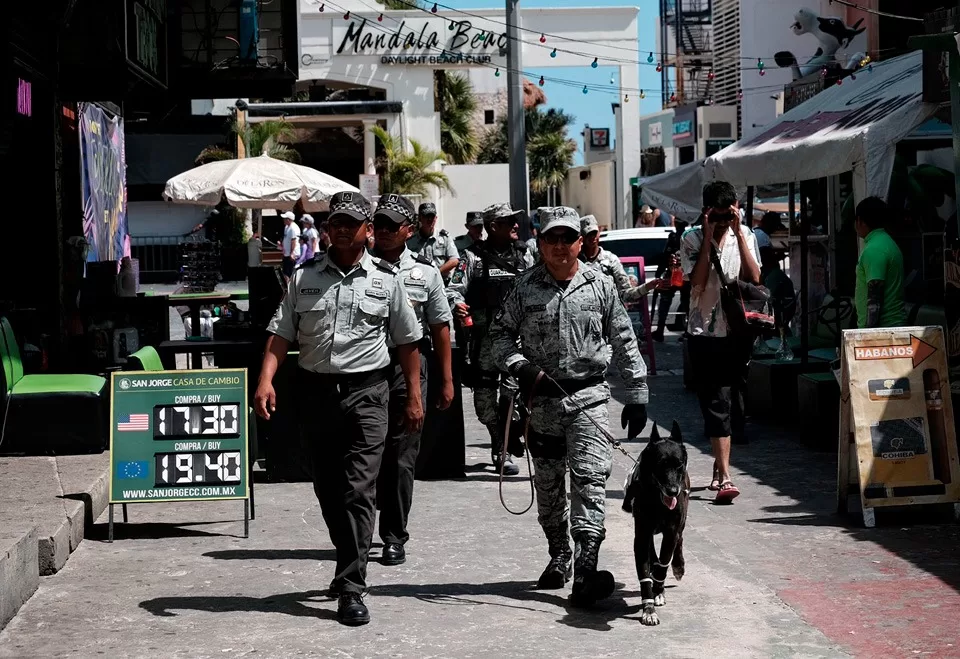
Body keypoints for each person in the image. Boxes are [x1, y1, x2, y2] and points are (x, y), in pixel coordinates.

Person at [254, 191, 424, 627]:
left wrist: (416, 395)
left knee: (357, 490)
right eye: (337, 222)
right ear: (328, 228)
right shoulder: (303, 277)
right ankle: (349, 553)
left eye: (353, 222)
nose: (343, 229)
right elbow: (280, 334)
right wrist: (265, 380)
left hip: (369, 394)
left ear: (368, 229)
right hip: (315, 394)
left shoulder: (388, 280)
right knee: (327, 488)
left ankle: (351, 585)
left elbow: (408, 343)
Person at [490, 206, 649, 606]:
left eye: (567, 238)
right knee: (548, 491)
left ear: (581, 242)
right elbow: (498, 337)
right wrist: (520, 368)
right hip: (541, 402)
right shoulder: (524, 288)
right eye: (551, 238)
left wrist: (637, 395)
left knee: (589, 482)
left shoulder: (600, 285)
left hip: (590, 398)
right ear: (540, 243)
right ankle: (559, 554)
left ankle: (586, 567)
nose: (559, 246)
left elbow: (624, 337)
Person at [370, 193, 455, 567]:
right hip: (364, 368)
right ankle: (363, 523)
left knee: (402, 454)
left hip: (410, 368)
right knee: (366, 453)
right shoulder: (359, 267)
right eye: (379, 225)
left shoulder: (425, 272)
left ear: (408, 229)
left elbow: (439, 329)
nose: (384, 232)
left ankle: (393, 535)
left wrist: (446, 380)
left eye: (392, 226)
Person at [679, 181, 762, 504]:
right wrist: (708, 237)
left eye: (729, 214)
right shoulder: (691, 239)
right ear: (707, 211)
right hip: (703, 332)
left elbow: (755, 276)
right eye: (720, 214)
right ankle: (726, 476)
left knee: (728, 399)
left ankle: (720, 465)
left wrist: (739, 233)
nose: (725, 219)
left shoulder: (747, 236)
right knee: (715, 401)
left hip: (738, 331)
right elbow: (697, 282)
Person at [447, 202, 536, 476]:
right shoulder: (472, 257)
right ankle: (500, 437)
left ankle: (504, 447)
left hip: (517, 342)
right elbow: (453, 290)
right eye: (509, 221)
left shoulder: (526, 255)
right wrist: (458, 305)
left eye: (515, 221)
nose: (516, 225)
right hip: (484, 342)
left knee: (512, 398)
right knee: (485, 406)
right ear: (493, 227)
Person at [854, 197, 906, 328]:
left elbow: (874, 301)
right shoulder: (886, 243)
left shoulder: (874, 249)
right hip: (890, 328)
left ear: (860, 221)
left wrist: (869, 335)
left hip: (883, 331)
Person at [407, 202, 460, 283]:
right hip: (419, 283)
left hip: (442, 281)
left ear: (436, 218)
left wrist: (436, 273)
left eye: (432, 216)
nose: (430, 219)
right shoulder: (411, 241)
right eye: (426, 216)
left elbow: (454, 260)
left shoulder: (444, 237)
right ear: (420, 218)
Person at [280, 211, 302, 282]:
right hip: (286, 254)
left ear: (289, 219)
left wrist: (292, 253)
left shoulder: (293, 228)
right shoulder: (286, 227)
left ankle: (291, 289)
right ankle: (287, 289)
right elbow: (286, 239)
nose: (283, 220)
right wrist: (282, 246)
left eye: (285, 218)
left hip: (292, 255)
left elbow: (294, 241)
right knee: (285, 272)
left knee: (291, 273)